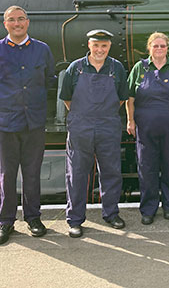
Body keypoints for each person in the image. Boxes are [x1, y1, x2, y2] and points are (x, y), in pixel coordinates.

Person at [0, 6, 55, 245]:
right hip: (5, 123)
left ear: (28, 22)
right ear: (5, 24)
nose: (17, 23)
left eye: (21, 19)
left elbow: (49, 79)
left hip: (34, 122)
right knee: (6, 174)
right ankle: (6, 222)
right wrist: (5, 101)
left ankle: (33, 218)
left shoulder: (42, 50)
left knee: (32, 173)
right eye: (12, 20)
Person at [60, 29, 129, 238]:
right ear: (89, 46)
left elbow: (122, 98)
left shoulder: (116, 68)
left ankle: (111, 213)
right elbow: (66, 98)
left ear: (109, 47)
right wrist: (83, 116)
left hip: (108, 125)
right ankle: (75, 220)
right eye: (96, 45)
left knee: (111, 171)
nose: (100, 50)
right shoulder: (76, 68)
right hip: (81, 126)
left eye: (104, 46)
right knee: (77, 174)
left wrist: (103, 115)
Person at [126, 32, 169, 222]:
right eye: (155, 46)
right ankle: (148, 209)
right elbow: (130, 97)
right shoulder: (140, 67)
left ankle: (168, 205)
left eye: (162, 46)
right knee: (147, 167)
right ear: (149, 47)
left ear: (167, 48)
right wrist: (130, 120)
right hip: (145, 127)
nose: (159, 49)